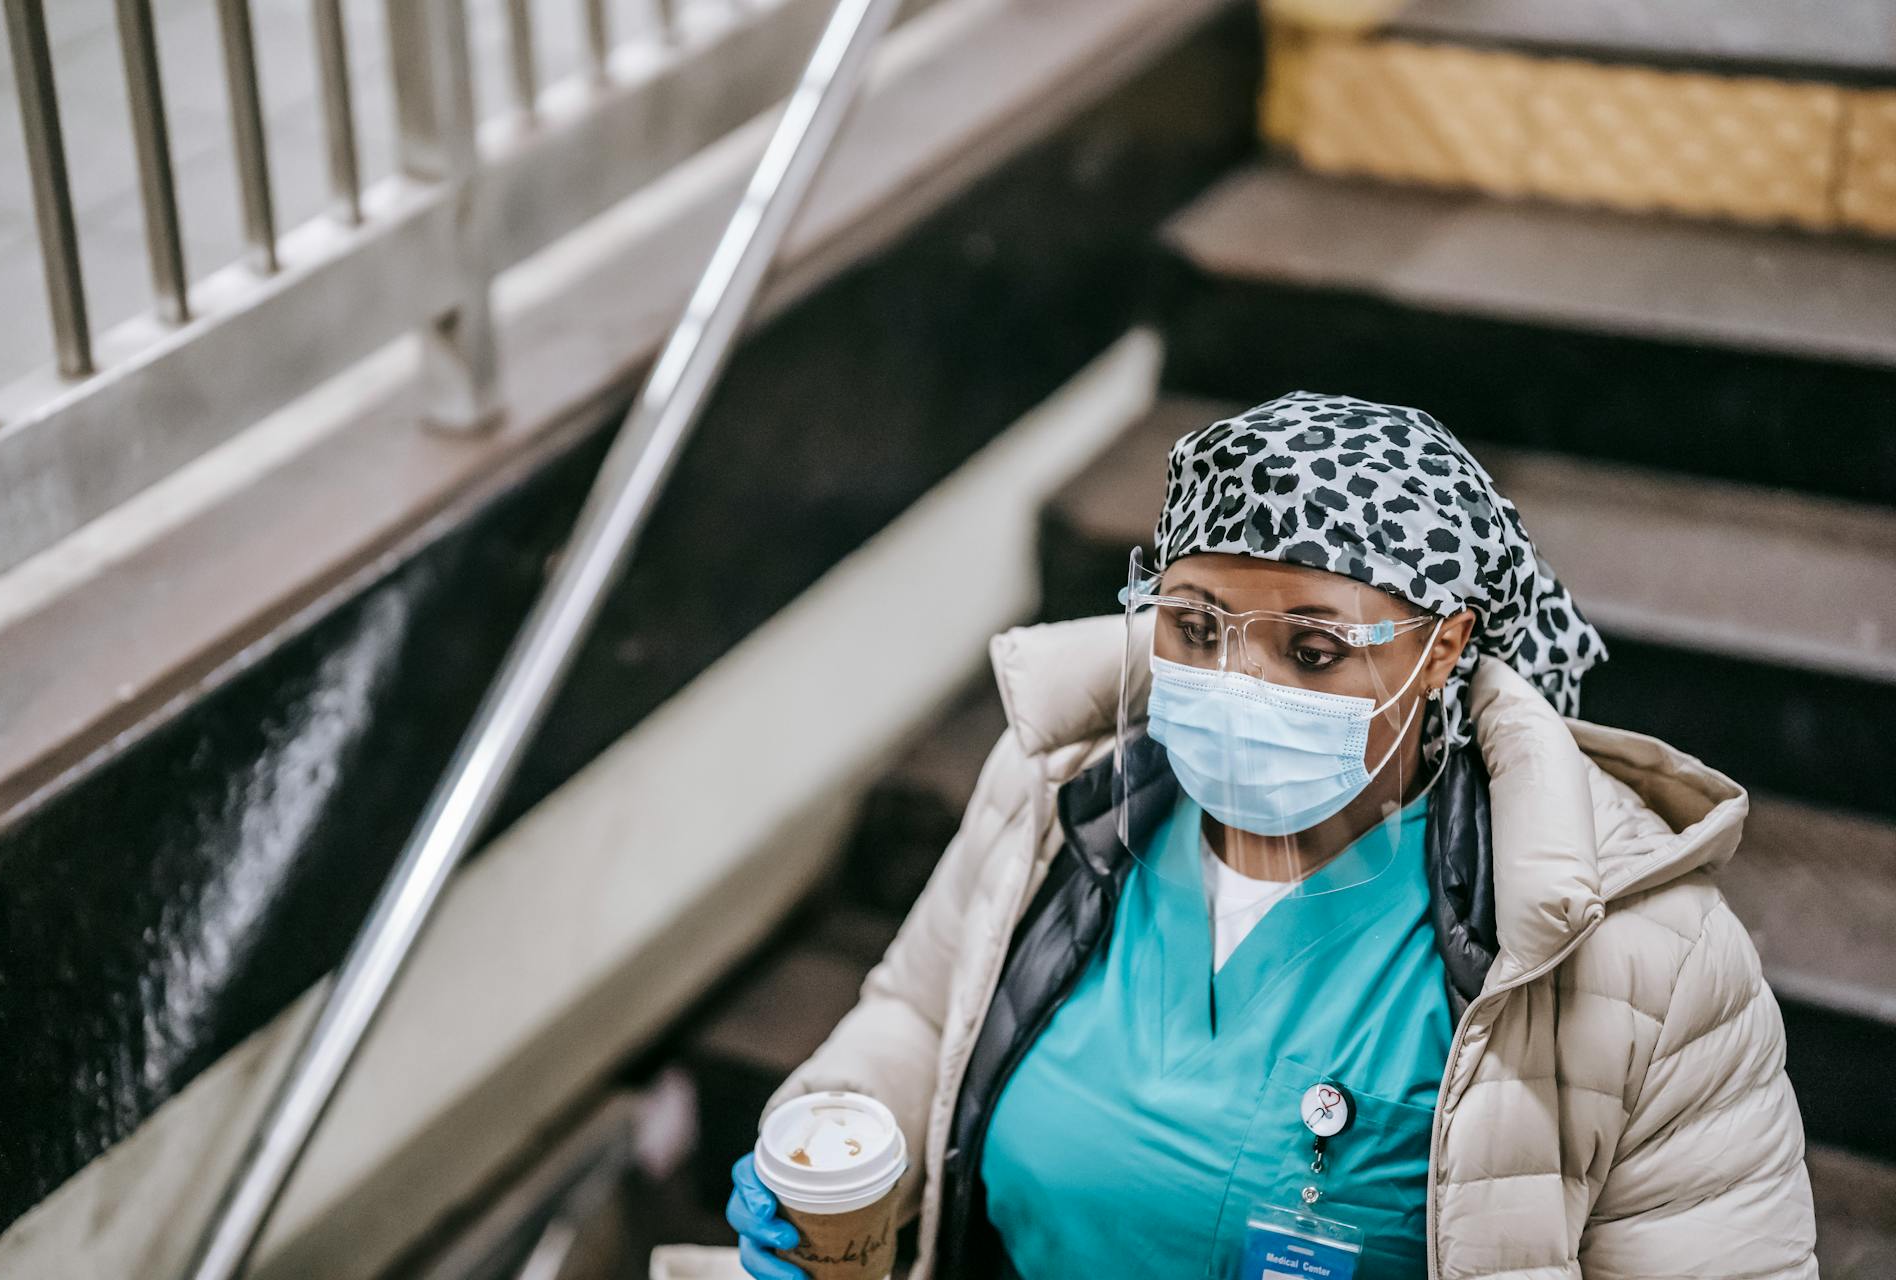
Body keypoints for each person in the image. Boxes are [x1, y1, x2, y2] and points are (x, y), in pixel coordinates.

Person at [724, 392, 1817, 1279]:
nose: (1234, 683)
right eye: (1196, 626)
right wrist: (843, 1132)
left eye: (1312, 650)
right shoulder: (1062, 791)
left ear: (1444, 649)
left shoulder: (1637, 955)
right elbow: (923, 1012)